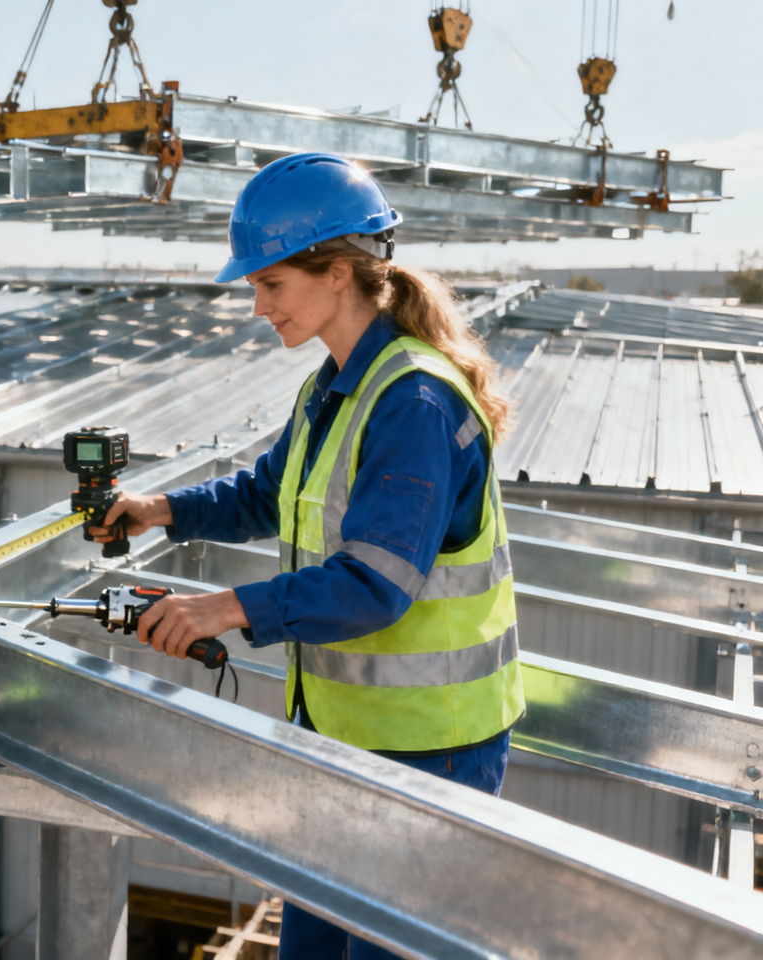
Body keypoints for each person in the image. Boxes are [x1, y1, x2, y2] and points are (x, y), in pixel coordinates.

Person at [95, 153, 524, 960]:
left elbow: (375, 584)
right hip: (341, 733)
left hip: (432, 751)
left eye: (271, 284)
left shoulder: (413, 400)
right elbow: (272, 493)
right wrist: (164, 511)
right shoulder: (334, 383)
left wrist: (223, 609)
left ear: (335, 273)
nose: (258, 307)